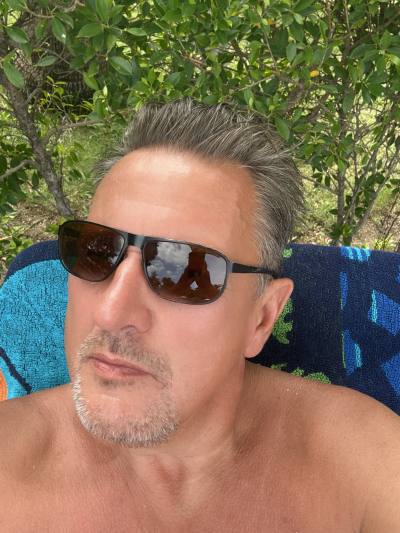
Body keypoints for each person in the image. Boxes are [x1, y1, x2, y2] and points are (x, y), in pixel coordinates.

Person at [1, 99, 399, 532]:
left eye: (185, 272)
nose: (111, 313)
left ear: (262, 318)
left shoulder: (364, 462)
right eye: (97, 252)